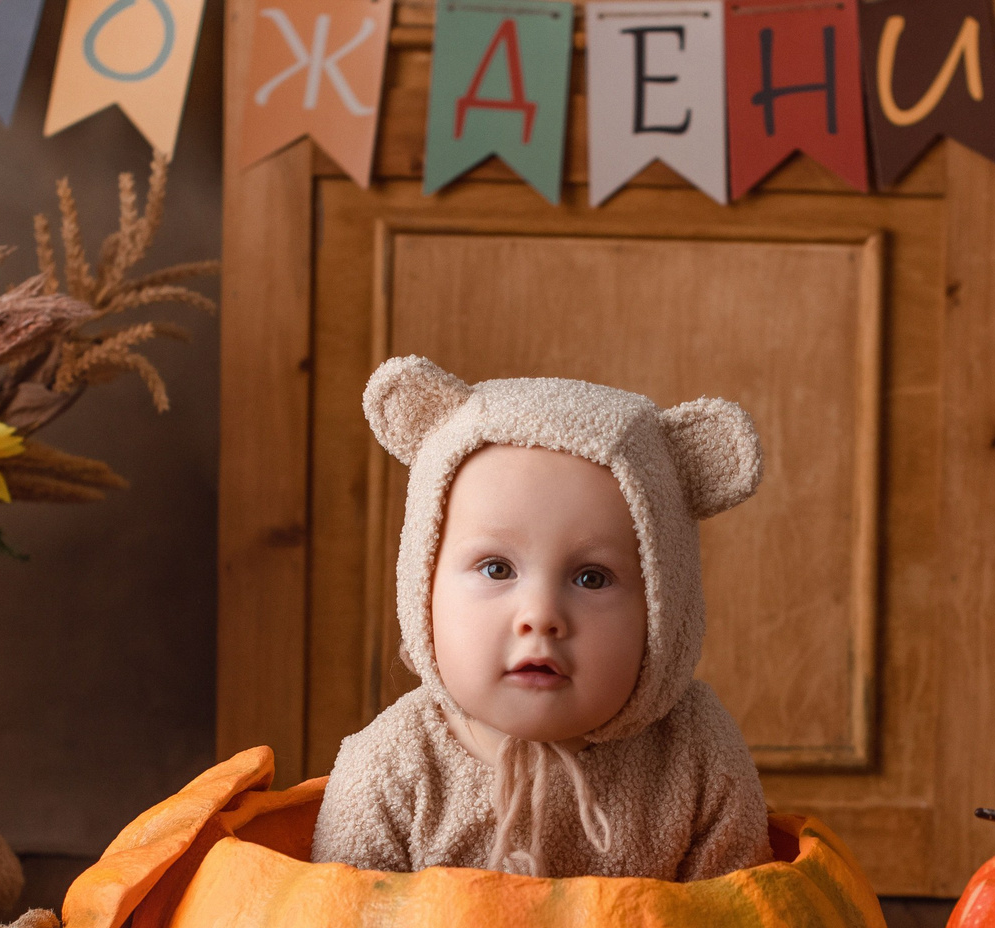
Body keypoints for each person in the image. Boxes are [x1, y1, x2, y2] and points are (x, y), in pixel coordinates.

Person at [312, 355, 771, 881]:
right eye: (496, 568)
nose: (540, 617)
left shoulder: (698, 756)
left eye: (592, 578)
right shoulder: (388, 767)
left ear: (665, 610)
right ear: (423, 588)